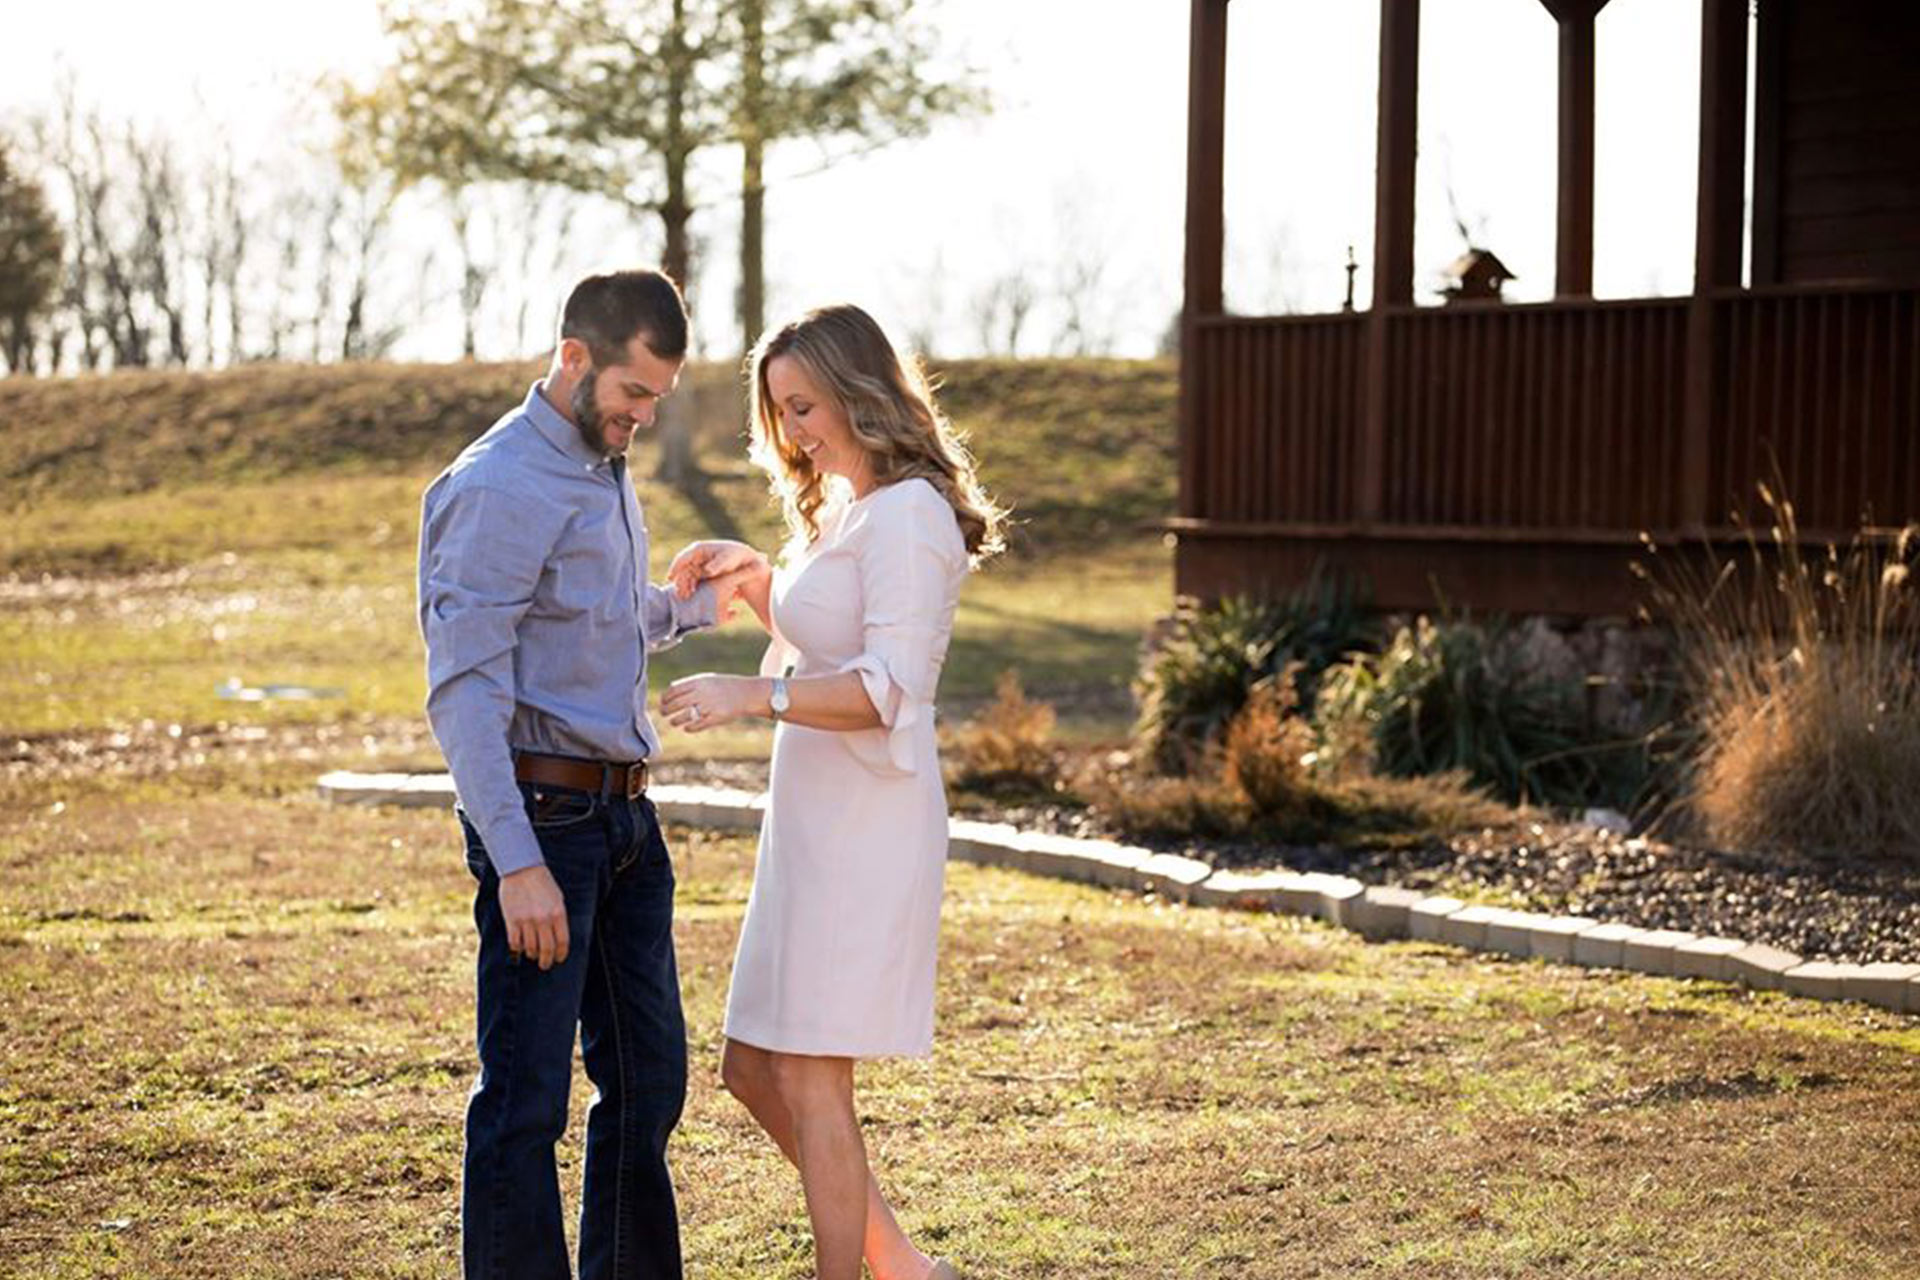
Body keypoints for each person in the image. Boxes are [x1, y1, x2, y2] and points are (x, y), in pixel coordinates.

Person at [659, 303, 1005, 1280]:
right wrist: (761, 578)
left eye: (805, 405)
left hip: (868, 821)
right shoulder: (851, 509)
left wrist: (750, 692)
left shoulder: (909, 517)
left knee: (810, 1072)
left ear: (860, 389)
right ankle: (899, 1262)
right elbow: (834, 635)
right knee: (751, 1064)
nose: (795, 432)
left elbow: (884, 689)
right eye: (781, 412)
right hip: (810, 819)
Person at [418, 269, 750, 1280]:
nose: (643, 416)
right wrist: (516, 862)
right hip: (545, 823)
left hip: (625, 829)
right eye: (634, 393)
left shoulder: (599, 461)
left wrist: (686, 605)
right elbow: (465, 689)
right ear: (574, 358)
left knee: (649, 1082)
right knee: (524, 1102)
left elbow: (587, 622)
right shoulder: (496, 486)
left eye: (658, 398)